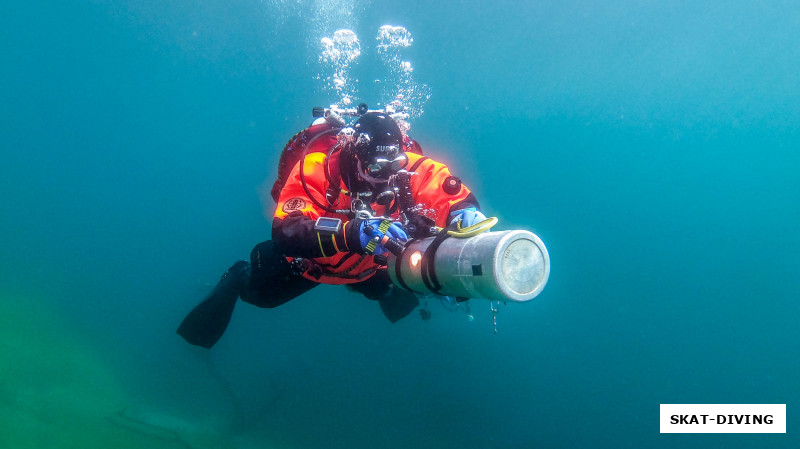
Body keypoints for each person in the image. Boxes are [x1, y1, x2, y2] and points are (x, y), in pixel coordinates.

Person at [177, 109, 487, 348]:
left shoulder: (408, 166)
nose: (385, 179)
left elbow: (445, 190)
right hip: (312, 264)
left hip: (371, 264)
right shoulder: (317, 167)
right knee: (261, 296)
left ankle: (373, 285)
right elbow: (287, 229)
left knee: (402, 299)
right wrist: (351, 234)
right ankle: (238, 275)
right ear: (356, 157)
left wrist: (466, 212)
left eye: (394, 168)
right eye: (375, 170)